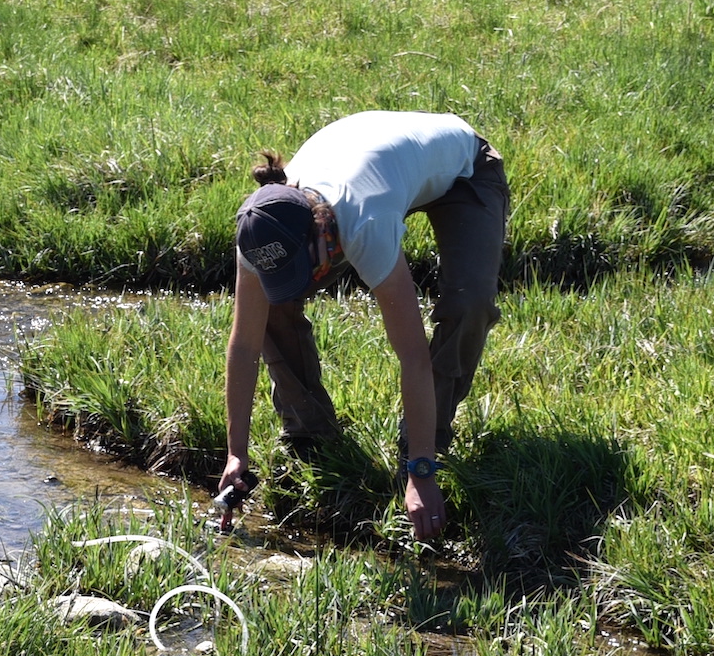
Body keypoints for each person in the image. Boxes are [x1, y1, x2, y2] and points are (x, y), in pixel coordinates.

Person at [216, 110, 510, 543]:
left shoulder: (364, 222)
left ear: (322, 232)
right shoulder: (261, 231)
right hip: (385, 162)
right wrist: (235, 452)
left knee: (470, 303)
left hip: (463, 169)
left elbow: (411, 356)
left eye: (308, 268)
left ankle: (425, 446)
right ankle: (311, 435)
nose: (311, 281)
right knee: (273, 308)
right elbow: (243, 344)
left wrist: (421, 472)